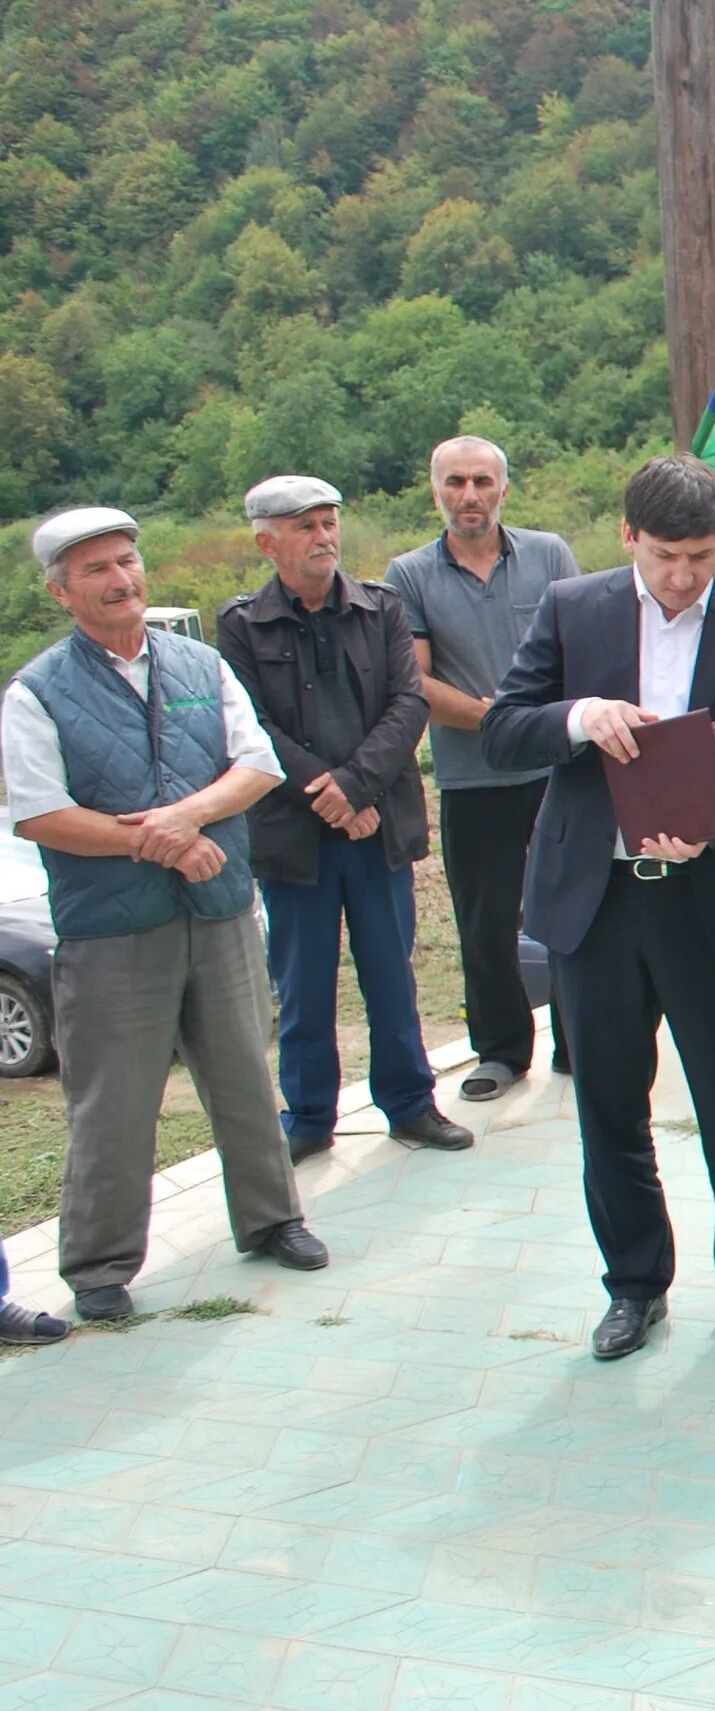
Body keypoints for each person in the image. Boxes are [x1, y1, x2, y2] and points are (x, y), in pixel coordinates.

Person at [481, 456, 715, 1360]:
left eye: (703, 558)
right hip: (598, 903)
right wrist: (577, 717)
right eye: (666, 555)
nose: (682, 577)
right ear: (628, 536)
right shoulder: (571, 610)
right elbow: (502, 729)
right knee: (608, 1106)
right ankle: (633, 1285)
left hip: (710, 898)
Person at [4, 509, 330, 1322]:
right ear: (60, 592)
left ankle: (273, 1219)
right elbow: (41, 814)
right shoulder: (35, 693)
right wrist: (161, 842)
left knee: (244, 1077)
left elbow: (255, 765)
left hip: (218, 913)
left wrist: (186, 820)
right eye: (96, 572)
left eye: (127, 561)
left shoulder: (200, 664)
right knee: (113, 1102)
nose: (121, 581)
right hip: (112, 933)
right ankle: (100, 1266)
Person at [218, 477, 472, 1162]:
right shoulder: (241, 624)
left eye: (329, 522)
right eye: (305, 526)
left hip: (376, 826)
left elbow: (408, 703)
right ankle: (306, 1119)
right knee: (302, 984)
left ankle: (411, 1105)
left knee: (391, 973)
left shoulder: (380, 608)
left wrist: (356, 788)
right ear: (266, 541)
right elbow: (251, 724)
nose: (324, 536)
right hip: (294, 837)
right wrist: (325, 794)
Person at [384, 436, 582, 1102]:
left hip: (558, 768)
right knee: (485, 919)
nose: (469, 496)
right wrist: (495, 718)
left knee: (575, 909)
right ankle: (500, 1051)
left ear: (504, 488)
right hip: (474, 776)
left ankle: (580, 1038)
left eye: (481, 482)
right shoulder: (408, 574)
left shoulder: (550, 555)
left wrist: (541, 721)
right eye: (455, 482)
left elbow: (581, 645)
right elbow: (414, 680)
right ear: (434, 488)